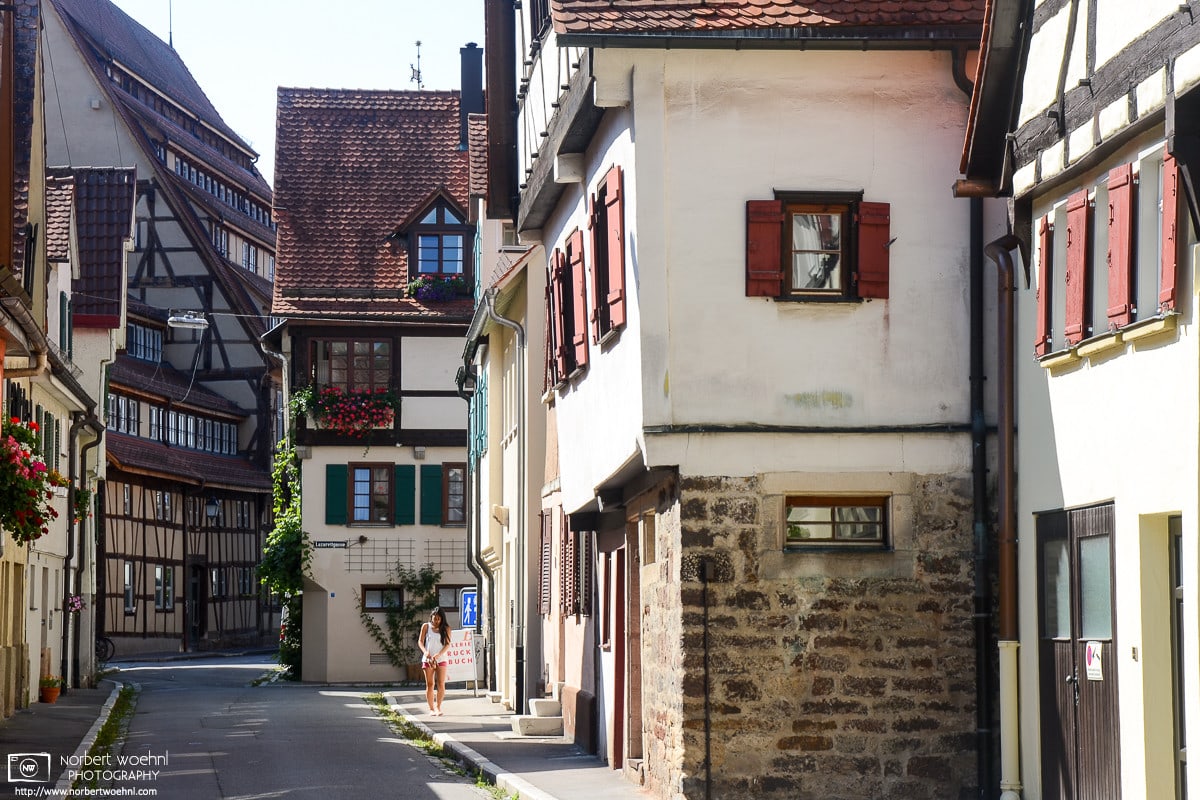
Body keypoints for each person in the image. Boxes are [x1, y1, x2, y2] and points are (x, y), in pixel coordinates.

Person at [419, 607, 451, 715]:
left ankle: (438, 707)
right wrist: (425, 652)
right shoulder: (426, 626)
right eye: (434, 618)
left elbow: (447, 644)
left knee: (441, 683)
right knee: (430, 684)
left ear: (442, 619)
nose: (436, 621)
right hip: (428, 659)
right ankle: (431, 708)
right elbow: (420, 641)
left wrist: (439, 654)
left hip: (441, 659)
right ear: (431, 617)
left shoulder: (446, 628)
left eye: (438, 619)